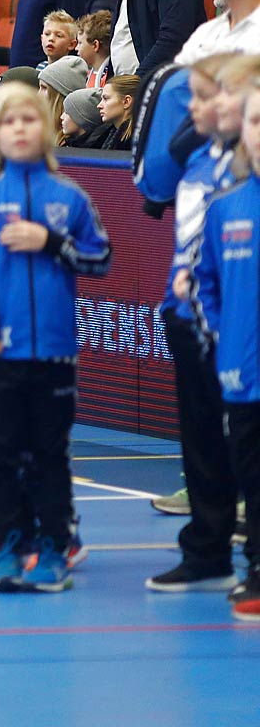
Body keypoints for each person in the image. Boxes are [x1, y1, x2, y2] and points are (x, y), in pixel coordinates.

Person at [0, 81, 110, 593]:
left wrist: (51, 241)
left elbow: (99, 257)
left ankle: (55, 548)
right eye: (8, 122)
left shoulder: (69, 197)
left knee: (50, 453)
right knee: (0, 454)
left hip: (55, 352)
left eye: (29, 119)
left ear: (46, 126)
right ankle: (7, 548)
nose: (20, 129)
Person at [147, 56, 244, 594]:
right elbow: (155, 181)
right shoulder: (197, 160)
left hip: (234, 324)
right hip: (184, 315)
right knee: (200, 438)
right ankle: (207, 550)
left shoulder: (244, 170)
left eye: (206, 98)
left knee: (243, 440)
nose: (195, 108)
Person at [196, 84, 260, 622]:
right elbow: (207, 285)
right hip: (244, 375)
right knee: (253, 477)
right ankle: (256, 571)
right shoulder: (225, 208)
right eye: (257, 122)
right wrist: (229, 338)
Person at [77, 10, 113, 88]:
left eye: (80, 43)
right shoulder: (89, 74)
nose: (76, 48)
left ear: (95, 45)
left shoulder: (108, 81)